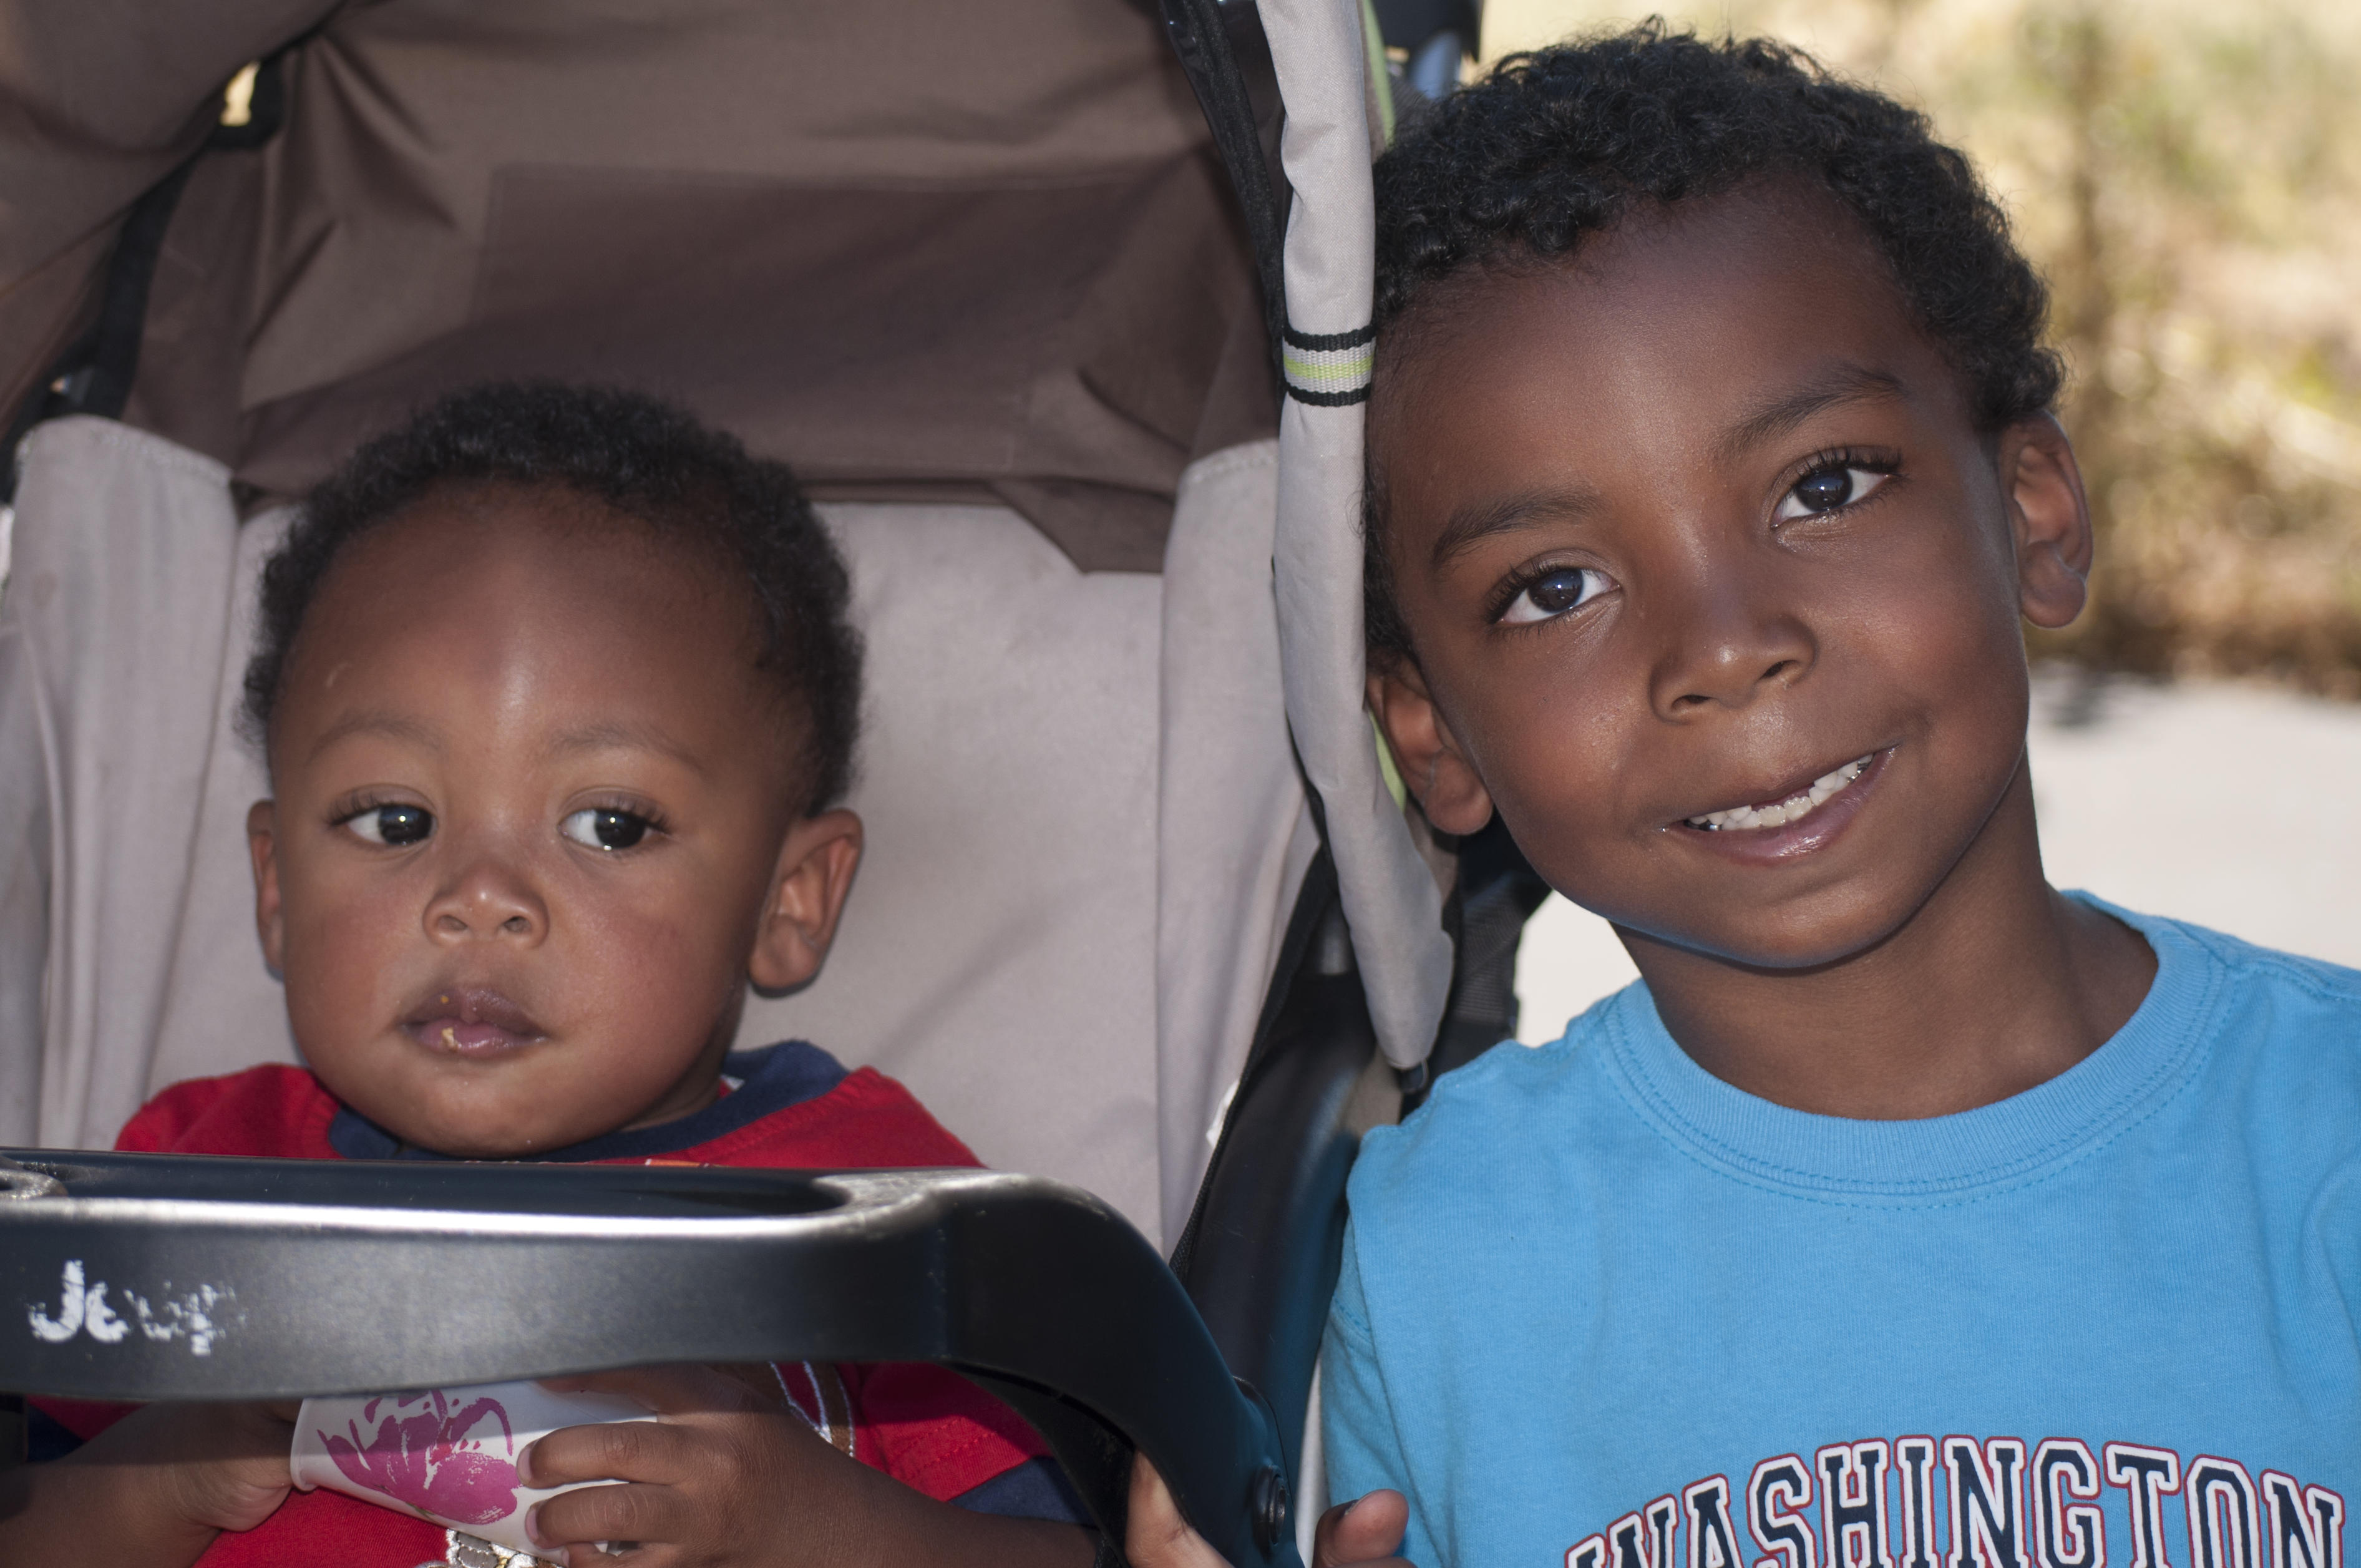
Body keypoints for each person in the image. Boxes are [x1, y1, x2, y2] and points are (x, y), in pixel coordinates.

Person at [1139, 23, 2361, 1568]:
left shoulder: (2327, 1147)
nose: (1721, 648)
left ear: (2033, 513)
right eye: (1553, 585)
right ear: (1432, 738)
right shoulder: (1437, 1261)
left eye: (1821, 487)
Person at [0, 383, 1097, 1568]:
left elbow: (1077, 1552)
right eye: (393, 817)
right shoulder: (184, 1186)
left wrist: (807, 1522)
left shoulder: (879, 1212)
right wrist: (159, 1476)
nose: (480, 895)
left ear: (790, 901)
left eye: (611, 826)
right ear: (275, 884)